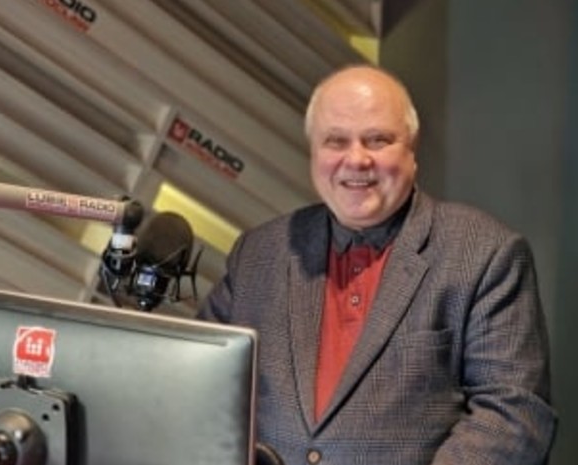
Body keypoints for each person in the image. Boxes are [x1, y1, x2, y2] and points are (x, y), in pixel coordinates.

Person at [197, 64, 557, 464]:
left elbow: (514, 416)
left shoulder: (485, 253)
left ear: (412, 151)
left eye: (378, 140)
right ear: (313, 153)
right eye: (336, 141)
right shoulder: (259, 252)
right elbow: (203, 384)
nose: (356, 159)